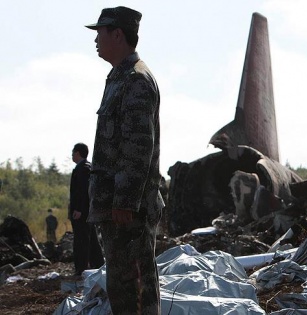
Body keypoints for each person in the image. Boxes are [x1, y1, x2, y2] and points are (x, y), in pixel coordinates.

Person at [85, 6, 164, 314]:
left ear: (117, 34)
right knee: (122, 288)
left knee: (135, 289)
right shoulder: (119, 77)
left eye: (100, 32)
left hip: (128, 211)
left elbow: (138, 147)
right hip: (116, 208)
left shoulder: (136, 80)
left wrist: (125, 201)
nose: (95, 39)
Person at [69, 143, 104, 276]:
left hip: (81, 212)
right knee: (92, 239)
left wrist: (79, 209)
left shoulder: (83, 169)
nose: (72, 155)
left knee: (81, 240)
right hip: (87, 212)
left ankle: (81, 268)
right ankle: (98, 264)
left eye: (73, 153)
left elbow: (83, 192)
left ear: (78, 153)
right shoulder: (86, 168)